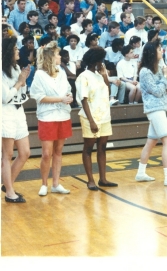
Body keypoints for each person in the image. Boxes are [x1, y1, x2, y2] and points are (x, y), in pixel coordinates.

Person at [137, 40, 167, 186]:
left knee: (151, 142)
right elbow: (157, 91)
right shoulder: (145, 71)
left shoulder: (159, 68)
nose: (161, 51)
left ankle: (140, 173)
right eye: (158, 49)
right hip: (154, 109)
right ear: (151, 52)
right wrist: (165, 76)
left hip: (160, 107)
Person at [30, 41, 73, 196]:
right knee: (46, 153)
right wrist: (60, 99)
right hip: (47, 117)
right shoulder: (39, 74)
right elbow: (38, 97)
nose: (60, 56)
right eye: (57, 54)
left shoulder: (61, 71)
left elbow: (67, 89)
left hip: (63, 115)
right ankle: (44, 184)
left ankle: (56, 183)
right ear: (51, 57)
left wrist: (68, 96)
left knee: (59, 151)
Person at [76, 47, 117, 191]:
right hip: (90, 117)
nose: (103, 63)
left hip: (104, 116)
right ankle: (90, 180)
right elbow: (83, 100)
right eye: (101, 60)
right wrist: (92, 121)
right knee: (88, 148)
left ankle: (103, 179)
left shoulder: (99, 75)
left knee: (102, 147)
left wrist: (105, 75)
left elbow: (109, 91)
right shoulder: (84, 76)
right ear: (96, 61)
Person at [2, 36, 30, 203]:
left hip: (19, 112)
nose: (18, 51)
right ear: (8, 52)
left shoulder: (17, 67)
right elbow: (5, 97)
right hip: (5, 113)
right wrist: (19, 82)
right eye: (15, 49)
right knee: (8, 154)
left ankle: (7, 184)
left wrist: (23, 81)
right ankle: (9, 193)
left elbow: (22, 94)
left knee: (25, 152)